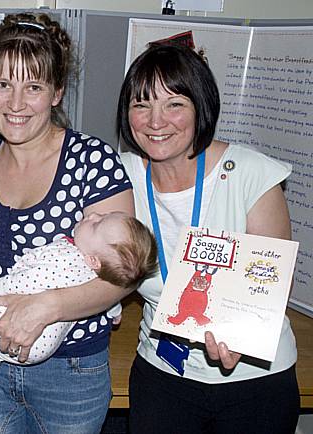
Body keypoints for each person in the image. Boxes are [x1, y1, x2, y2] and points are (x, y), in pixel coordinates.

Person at [0, 12, 135, 433]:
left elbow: (123, 274)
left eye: (33, 86)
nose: (15, 103)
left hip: (70, 369)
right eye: (3, 85)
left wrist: (45, 309)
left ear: (57, 92)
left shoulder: (93, 163)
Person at [116, 43, 300, 434]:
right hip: (162, 371)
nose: (155, 121)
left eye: (174, 104)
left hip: (253, 380)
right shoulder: (121, 176)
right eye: (141, 104)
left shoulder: (250, 174)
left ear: (201, 106)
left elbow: (272, 284)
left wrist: (240, 333)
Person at [0, 211, 157, 392]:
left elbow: (30, 280)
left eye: (96, 224)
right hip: (47, 341)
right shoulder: (98, 273)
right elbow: (108, 300)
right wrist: (114, 311)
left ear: (92, 259)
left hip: (35, 335)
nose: (93, 215)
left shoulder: (67, 258)